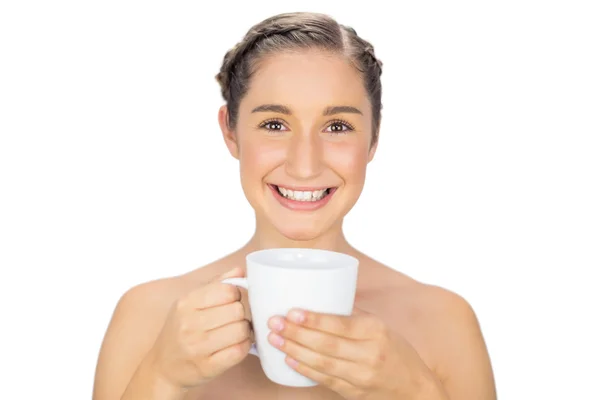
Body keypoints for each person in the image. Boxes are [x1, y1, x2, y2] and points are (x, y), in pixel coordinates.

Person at [92, 11, 496, 400]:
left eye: (337, 127)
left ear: (373, 140)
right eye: (274, 125)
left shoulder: (445, 323)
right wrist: (161, 377)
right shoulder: (147, 317)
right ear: (230, 133)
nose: (305, 165)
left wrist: (414, 391)